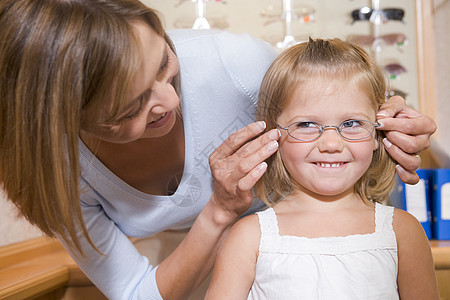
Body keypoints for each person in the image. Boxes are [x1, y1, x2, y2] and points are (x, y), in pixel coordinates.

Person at [0, 0, 436, 299]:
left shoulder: (235, 65)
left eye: (165, 67)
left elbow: (332, 97)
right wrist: (219, 213)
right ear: (62, 121)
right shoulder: (54, 174)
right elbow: (136, 292)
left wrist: (391, 116)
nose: (171, 101)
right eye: (132, 106)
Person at [205, 38, 440, 299]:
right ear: (273, 136)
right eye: (306, 124)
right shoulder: (249, 237)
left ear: (377, 134)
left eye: (351, 123)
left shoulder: (402, 232)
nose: (330, 143)